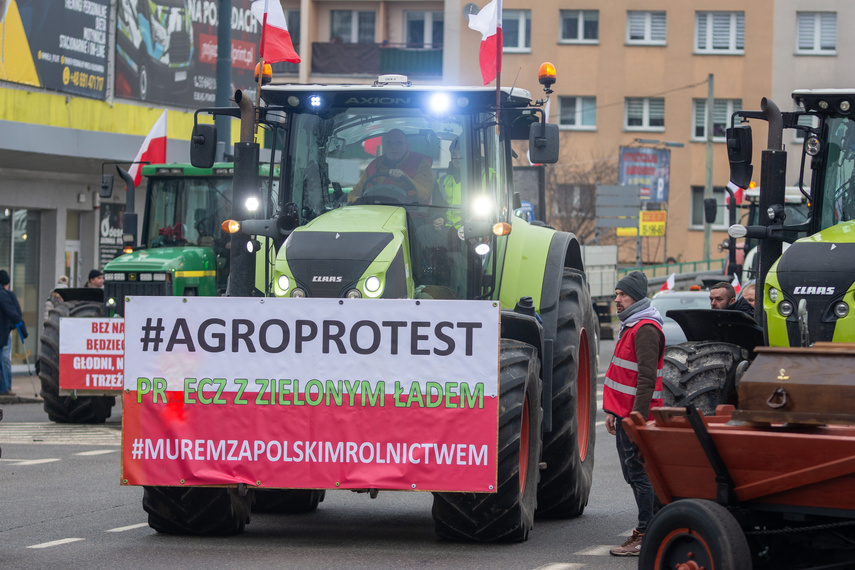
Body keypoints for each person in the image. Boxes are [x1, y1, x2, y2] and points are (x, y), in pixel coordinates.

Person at [603, 270, 665, 557]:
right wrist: (613, 411)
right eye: (616, 294)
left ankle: (646, 533)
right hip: (625, 414)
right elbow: (622, 378)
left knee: (639, 474)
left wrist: (635, 418)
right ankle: (653, 528)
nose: (617, 299)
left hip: (637, 417)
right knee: (634, 473)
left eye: (622, 295)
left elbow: (645, 379)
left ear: (636, 298)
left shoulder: (645, 329)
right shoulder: (631, 325)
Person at [348, 129, 433, 204]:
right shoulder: (373, 166)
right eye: (389, 143)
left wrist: (404, 179)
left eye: (398, 143)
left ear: (407, 146)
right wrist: (362, 201)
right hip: (377, 216)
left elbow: (424, 195)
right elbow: (354, 194)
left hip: (411, 217)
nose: (393, 147)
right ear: (384, 146)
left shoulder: (421, 163)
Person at [0, 269, 23, 396]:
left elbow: (14, 313)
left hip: (4, 331)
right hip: (4, 331)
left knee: (4, 359)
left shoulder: (6, 295)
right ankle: (5, 386)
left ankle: (6, 386)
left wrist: (14, 325)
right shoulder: (6, 294)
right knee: (4, 359)